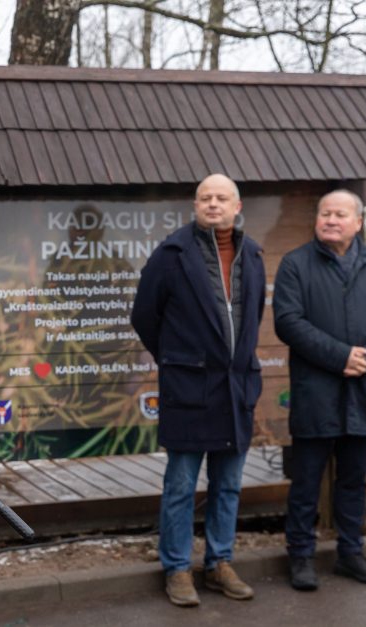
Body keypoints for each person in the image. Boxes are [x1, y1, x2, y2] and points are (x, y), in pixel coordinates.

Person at [131, 173, 266, 607]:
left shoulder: (254, 255)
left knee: (228, 485)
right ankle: (177, 568)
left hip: (236, 390)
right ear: (195, 206)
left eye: (221, 198)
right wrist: (177, 358)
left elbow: (253, 318)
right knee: (181, 485)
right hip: (189, 390)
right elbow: (144, 316)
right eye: (205, 198)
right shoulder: (171, 255)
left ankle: (219, 562)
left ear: (236, 206)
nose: (213, 204)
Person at [273, 190, 366, 591]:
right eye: (325, 213)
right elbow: (288, 322)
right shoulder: (296, 263)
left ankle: (351, 553)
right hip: (317, 389)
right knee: (306, 480)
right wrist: (340, 356)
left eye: (340, 214)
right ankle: (300, 555)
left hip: (364, 388)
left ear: (358, 222)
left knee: (353, 480)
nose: (331, 220)